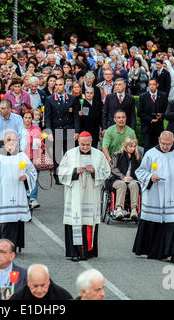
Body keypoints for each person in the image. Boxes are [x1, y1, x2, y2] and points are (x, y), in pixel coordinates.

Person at [133, 131, 174, 264]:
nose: (165, 147)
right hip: (155, 192)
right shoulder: (151, 153)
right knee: (154, 222)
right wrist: (150, 177)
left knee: (172, 223)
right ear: (159, 140)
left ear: (173, 141)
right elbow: (140, 171)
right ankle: (153, 250)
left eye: (168, 144)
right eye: (163, 143)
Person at [58, 131, 110, 261]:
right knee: (75, 222)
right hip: (75, 194)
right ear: (78, 142)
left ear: (92, 142)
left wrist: (95, 171)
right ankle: (74, 253)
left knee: (88, 223)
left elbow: (106, 172)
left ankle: (87, 252)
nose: (85, 147)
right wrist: (75, 171)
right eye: (82, 144)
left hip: (91, 195)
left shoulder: (99, 155)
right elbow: (61, 172)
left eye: (87, 144)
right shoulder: (69, 154)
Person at [0, 130, 37, 251]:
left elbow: (32, 172)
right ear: (4, 142)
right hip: (2, 197)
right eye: (9, 140)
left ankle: (14, 246)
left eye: (14, 140)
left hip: (18, 195)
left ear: (17, 142)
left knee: (15, 222)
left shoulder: (22, 156)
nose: (11, 142)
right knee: (3, 223)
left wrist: (26, 177)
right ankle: (3, 247)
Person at [44, 77, 80, 185]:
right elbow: (47, 118)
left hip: (69, 129)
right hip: (57, 130)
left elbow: (76, 116)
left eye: (60, 85)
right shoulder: (50, 99)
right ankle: (58, 176)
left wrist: (76, 131)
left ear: (65, 86)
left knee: (70, 154)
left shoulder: (72, 99)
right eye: (56, 85)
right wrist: (49, 132)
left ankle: (71, 175)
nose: (58, 87)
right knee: (58, 156)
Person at [108, 136, 142, 220]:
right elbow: (113, 168)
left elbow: (141, 170)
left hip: (132, 180)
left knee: (134, 185)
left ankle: (134, 210)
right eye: (130, 146)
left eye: (134, 146)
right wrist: (123, 177)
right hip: (117, 179)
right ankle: (119, 209)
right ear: (125, 145)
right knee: (122, 184)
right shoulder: (117, 155)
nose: (132, 148)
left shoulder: (137, 157)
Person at [137, 78, 168, 151]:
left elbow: (167, 111)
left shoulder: (163, 95)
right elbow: (139, 112)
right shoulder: (143, 96)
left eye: (154, 84)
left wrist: (161, 115)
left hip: (158, 127)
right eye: (150, 84)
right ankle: (148, 163)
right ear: (148, 85)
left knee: (158, 148)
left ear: (157, 85)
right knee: (147, 149)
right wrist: (150, 119)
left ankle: (156, 163)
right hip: (147, 127)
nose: (152, 86)